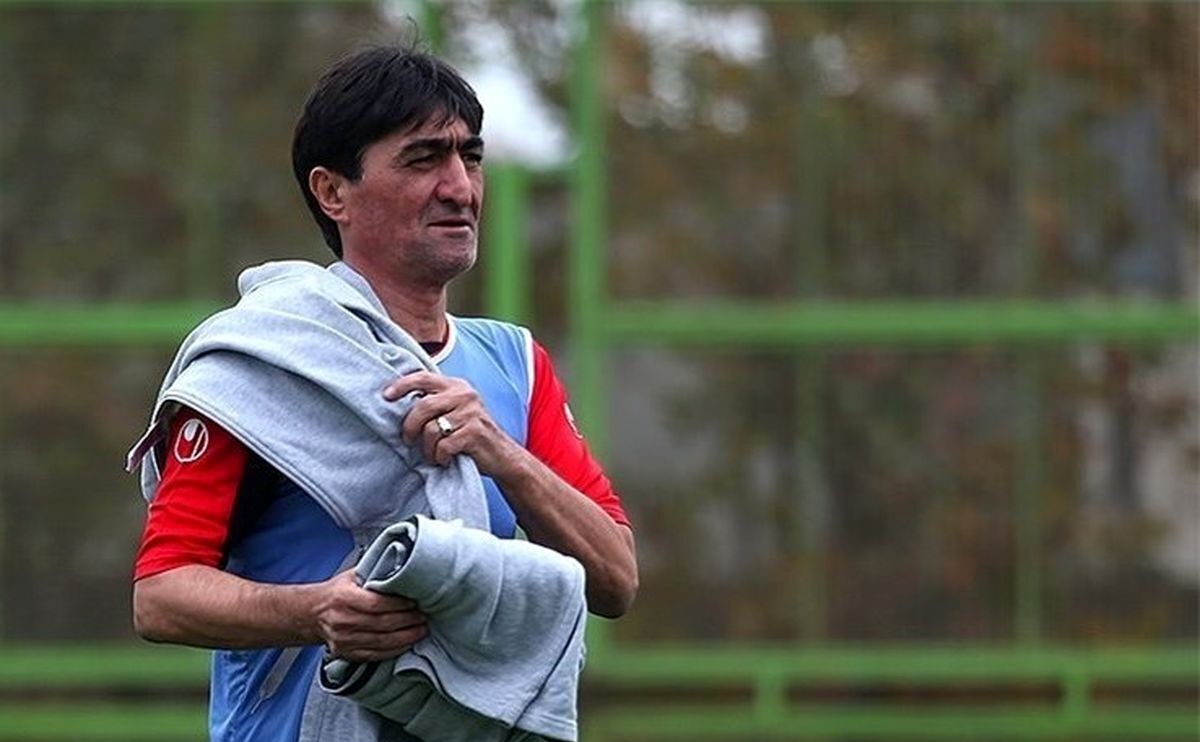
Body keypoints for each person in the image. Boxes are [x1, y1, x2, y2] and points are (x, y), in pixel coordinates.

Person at [130, 44, 638, 742]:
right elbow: (160, 596)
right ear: (332, 192)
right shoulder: (262, 363)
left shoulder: (515, 365)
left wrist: (504, 457)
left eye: (470, 157)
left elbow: (615, 578)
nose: (459, 187)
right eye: (423, 159)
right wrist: (315, 610)